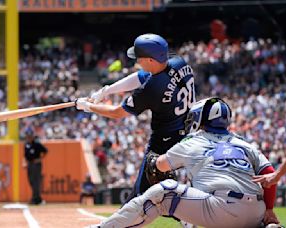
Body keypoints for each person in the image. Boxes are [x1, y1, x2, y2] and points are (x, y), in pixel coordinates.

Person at [93, 97, 280, 228]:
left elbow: (159, 166)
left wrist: (154, 160)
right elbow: (269, 172)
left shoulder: (193, 141)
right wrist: (269, 209)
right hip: (256, 212)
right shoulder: (244, 143)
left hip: (220, 209)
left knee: (164, 192)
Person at [76, 33, 196, 203]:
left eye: (140, 57)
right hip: (188, 133)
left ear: (151, 60)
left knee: (141, 193)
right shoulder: (178, 62)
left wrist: (89, 107)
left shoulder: (152, 88)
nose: (137, 61)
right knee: (168, 189)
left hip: (164, 141)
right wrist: (107, 90)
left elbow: (117, 112)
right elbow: (141, 76)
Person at [23, 129, 48, 205]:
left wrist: (40, 159)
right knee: (31, 181)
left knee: (36, 182)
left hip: (36, 165)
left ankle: (36, 199)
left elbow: (45, 151)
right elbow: (24, 155)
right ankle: (37, 198)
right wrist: (24, 162)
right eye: (27, 136)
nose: (29, 138)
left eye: (30, 136)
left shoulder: (37, 144)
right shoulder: (26, 144)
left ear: (32, 136)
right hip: (29, 164)